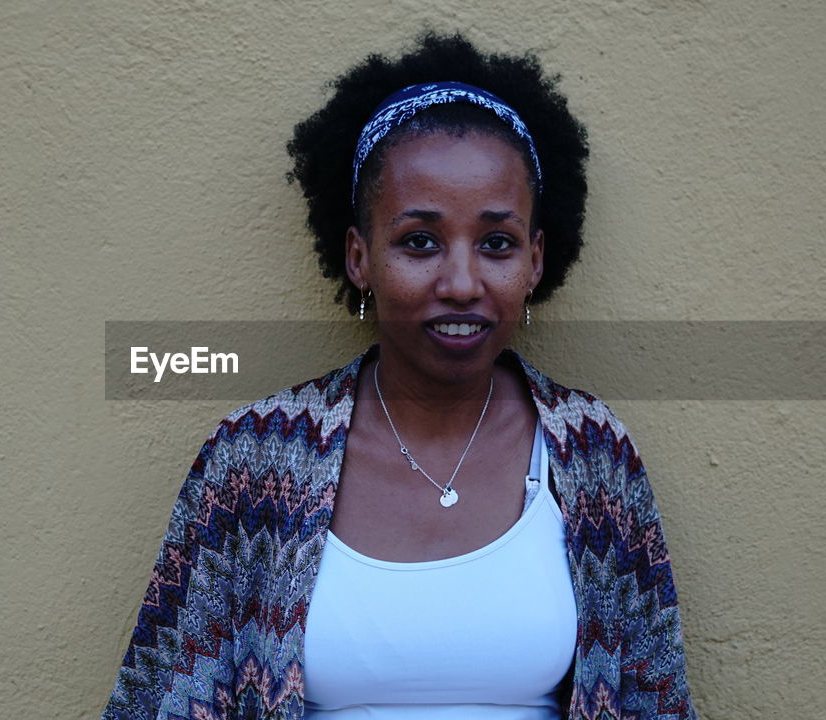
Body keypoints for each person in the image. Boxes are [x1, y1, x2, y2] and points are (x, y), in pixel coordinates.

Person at [100, 32, 697, 720]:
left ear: (535, 261)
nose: (463, 282)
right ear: (359, 256)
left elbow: (656, 700)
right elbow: (164, 699)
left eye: (497, 243)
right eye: (420, 241)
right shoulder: (254, 460)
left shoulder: (595, 457)